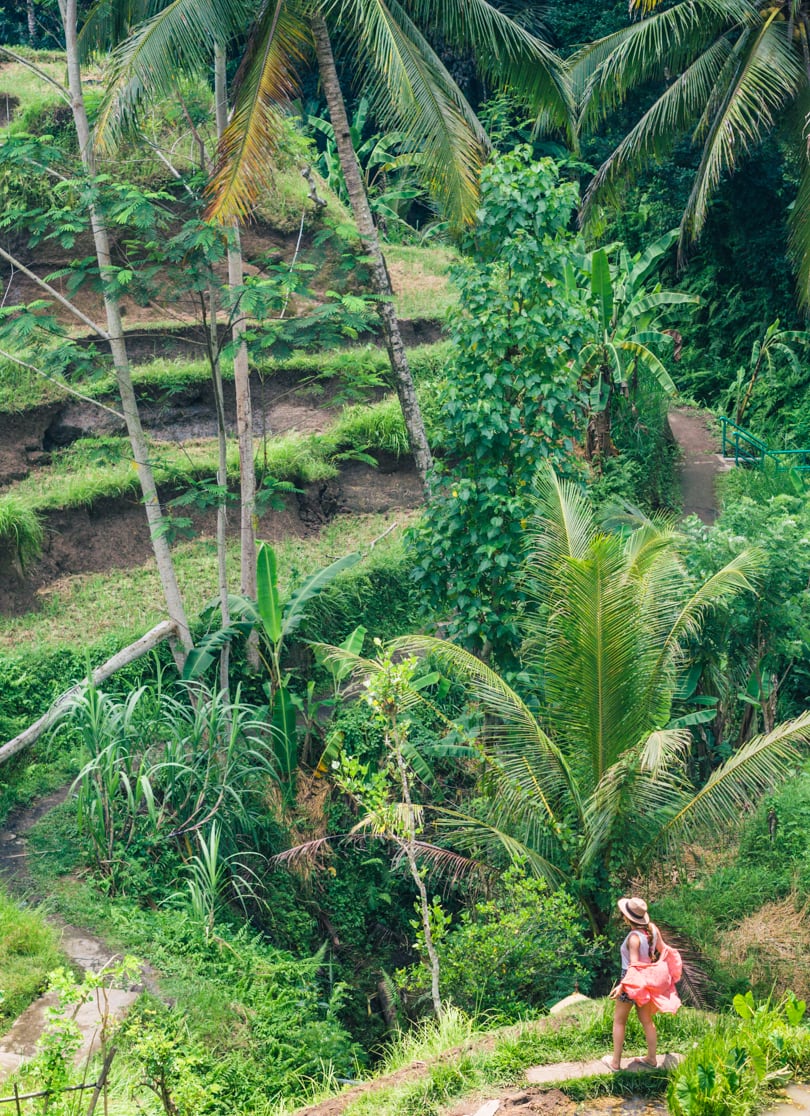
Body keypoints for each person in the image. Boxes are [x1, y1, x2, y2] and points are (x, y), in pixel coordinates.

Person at [602, 896, 681, 1072]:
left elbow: (634, 966)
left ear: (626, 917)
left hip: (631, 980)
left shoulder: (633, 938)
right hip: (646, 981)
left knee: (619, 1021)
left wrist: (622, 985)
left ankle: (615, 1063)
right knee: (646, 1021)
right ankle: (652, 1059)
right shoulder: (652, 930)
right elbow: (664, 950)